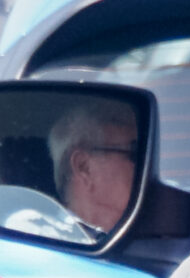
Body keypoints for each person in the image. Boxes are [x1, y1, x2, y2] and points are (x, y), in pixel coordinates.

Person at [48, 100, 140, 235]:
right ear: (84, 167)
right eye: (134, 153)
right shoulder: (47, 236)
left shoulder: (147, 234)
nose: (144, 164)